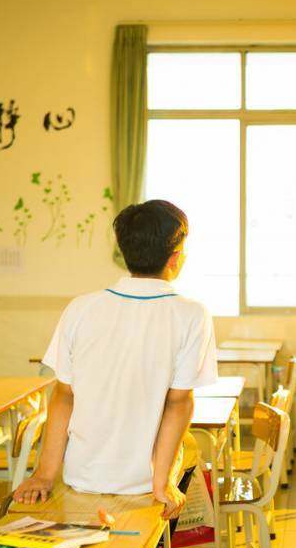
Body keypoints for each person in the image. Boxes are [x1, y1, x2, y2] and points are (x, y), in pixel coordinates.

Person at [13, 199, 217, 525]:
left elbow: (64, 396)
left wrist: (44, 475)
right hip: (145, 483)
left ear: (124, 252)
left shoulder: (80, 308)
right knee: (196, 449)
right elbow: (178, 404)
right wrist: (162, 482)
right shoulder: (193, 314)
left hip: (82, 475)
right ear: (175, 259)